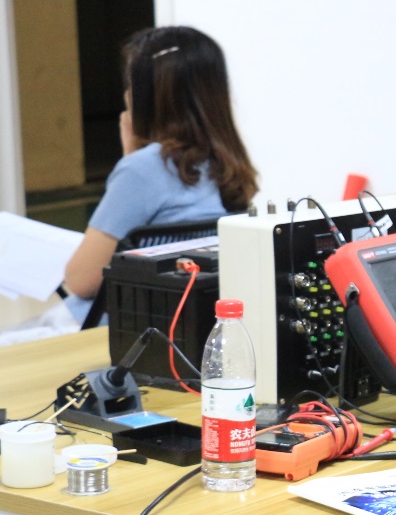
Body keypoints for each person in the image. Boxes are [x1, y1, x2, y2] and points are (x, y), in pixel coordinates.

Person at [60, 25, 257, 323]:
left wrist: (132, 159)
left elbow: (80, 281)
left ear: (143, 97)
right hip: (185, 324)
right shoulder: (230, 164)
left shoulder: (143, 170)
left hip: (119, 330)